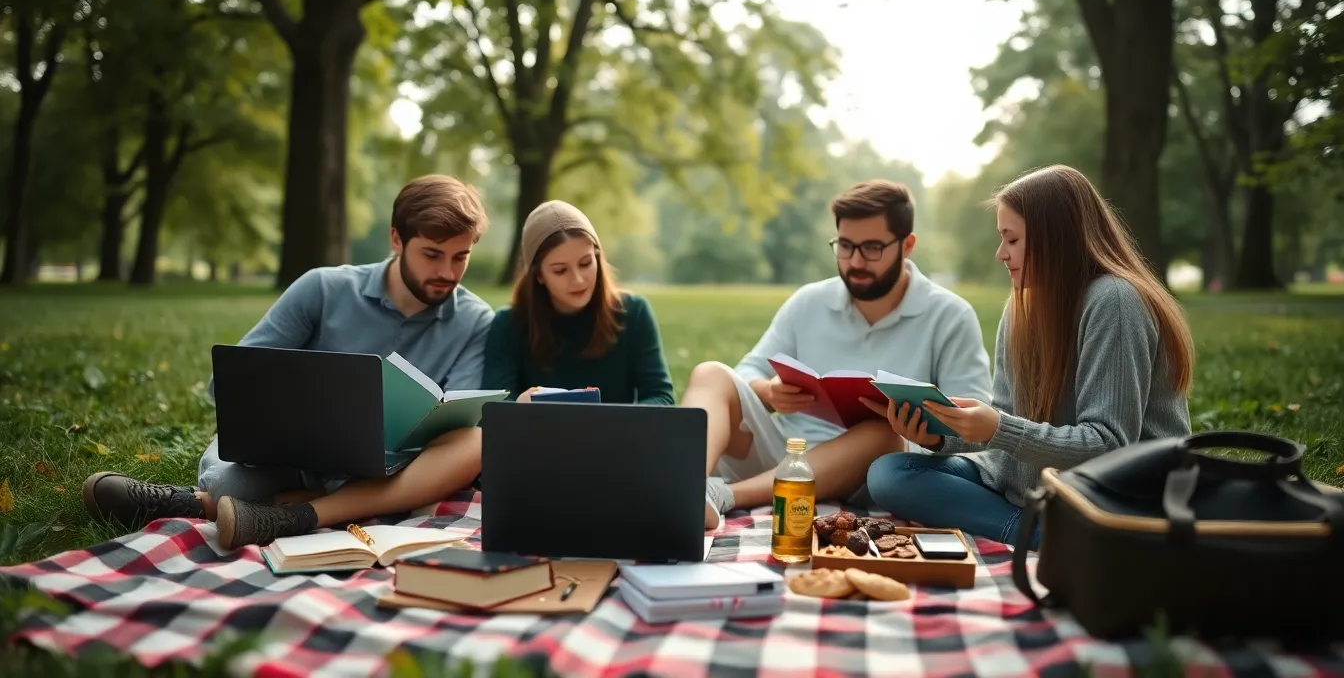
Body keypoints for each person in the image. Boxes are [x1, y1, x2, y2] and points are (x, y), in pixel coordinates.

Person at [81, 174, 497, 550]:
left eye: (460, 257)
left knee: (470, 444)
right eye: (432, 254)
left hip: (390, 471)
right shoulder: (322, 288)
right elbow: (229, 385)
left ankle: (205, 507)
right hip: (293, 458)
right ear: (396, 240)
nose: (447, 271)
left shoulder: (477, 320)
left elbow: (457, 426)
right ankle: (271, 505)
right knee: (230, 482)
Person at [865, 164, 1195, 549]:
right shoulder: (1021, 306)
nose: (1000, 253)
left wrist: (998, 428)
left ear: (1056, 238)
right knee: (890, 474)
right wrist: (942, 434)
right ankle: (1042, 531)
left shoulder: (1115, 302)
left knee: (908, 482)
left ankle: (1050, 537)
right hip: (1033, 487)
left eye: (1013, 239)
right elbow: (1005, 421)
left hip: (1114, 496)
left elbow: (1109, 445)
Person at [689, 179, 994, 530]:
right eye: (845, 246)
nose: (855, 261)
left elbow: (976, 429)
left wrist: (926, 431)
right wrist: (770, 391)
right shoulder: (809, 302)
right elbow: (746, 375)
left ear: (907, 245)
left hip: (873, 476)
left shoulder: (950, 316)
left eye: (872, 248)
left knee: (882, 432)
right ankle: (683, 487)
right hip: (785, 456)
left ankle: (724, 496)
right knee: (711, 373)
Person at [482, 200, 675, 405]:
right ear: (538, 275)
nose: (578, 280)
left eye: (585, 263)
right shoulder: (508, 324)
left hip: (620, 435)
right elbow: (492, 410)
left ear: (598, 257)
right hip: (539, 435)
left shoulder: (633, 312)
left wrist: (620, 423)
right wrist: (521, 405)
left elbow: (661, 396)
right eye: (560, 270)